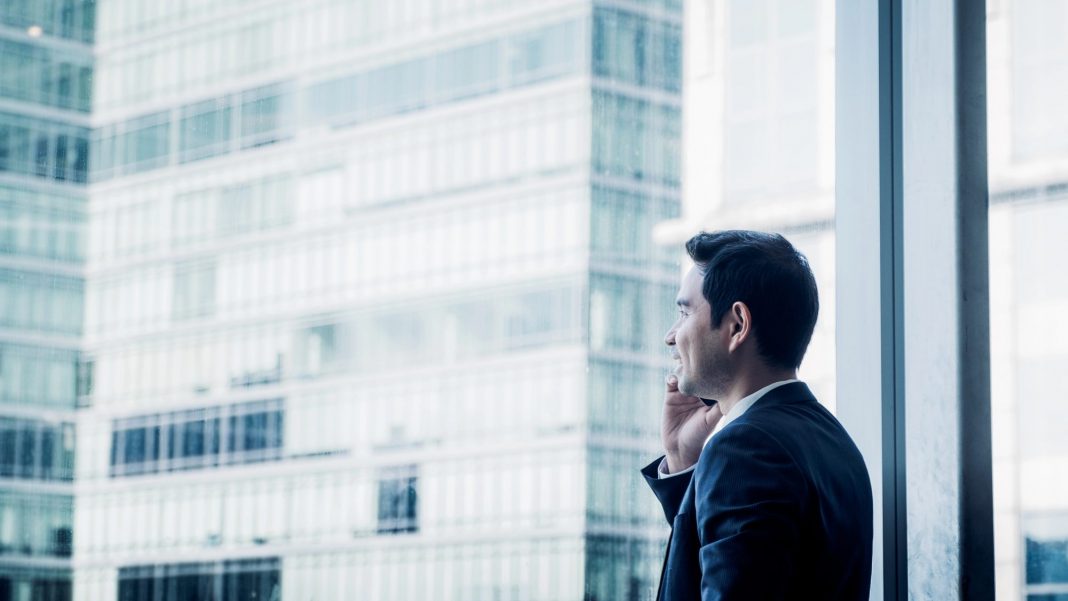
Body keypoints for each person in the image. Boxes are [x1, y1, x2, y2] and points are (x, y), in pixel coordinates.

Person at [642, 230, 873, 600]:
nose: (671, 335)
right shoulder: (833, 440)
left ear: (737, 325)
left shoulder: (745, 449)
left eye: (684, 311)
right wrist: (685, 464)